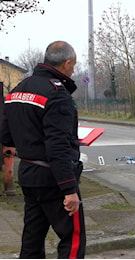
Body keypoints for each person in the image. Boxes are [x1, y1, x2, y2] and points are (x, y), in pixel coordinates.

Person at [0, 41, 86, 258]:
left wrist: (29, 139)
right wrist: (69, 190)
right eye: (74, 66)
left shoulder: (18, 90)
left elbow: (5, 136)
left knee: (32, 239)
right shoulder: (57, 94)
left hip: (29, 175)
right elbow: (57, 147)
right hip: (54, 179)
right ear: (66, 64)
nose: (73, 70)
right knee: (72, 239)